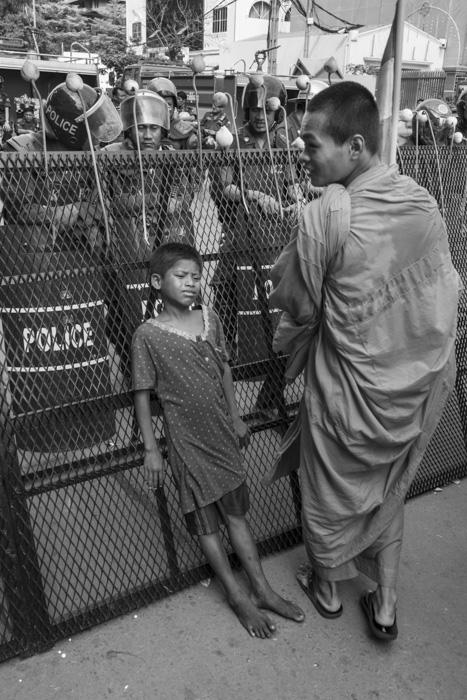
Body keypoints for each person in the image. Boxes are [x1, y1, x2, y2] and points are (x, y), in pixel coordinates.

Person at [263, 81, 462, 641]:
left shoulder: (325, 217)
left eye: (310, 145)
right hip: (410, 393)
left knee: (331, 489)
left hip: (344, 391)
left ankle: (327, 588)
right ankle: (385, 602)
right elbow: (445, 299)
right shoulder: (421, 203)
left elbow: (298, 305)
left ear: (354, 145)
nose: (302, 156)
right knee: (387, 484)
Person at [131, 241, 305, 637]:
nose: (191, 283)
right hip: (187, 446)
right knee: (207, 523)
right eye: (181, 276)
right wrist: (151, 449)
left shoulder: (210, 318)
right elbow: (142, 394)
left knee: (237, 514)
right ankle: (236, 595)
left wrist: (235, 415)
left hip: (222, 437)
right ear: (158, 281)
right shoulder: (147, 336)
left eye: (196, 276)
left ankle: (261, 588)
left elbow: (224, 368)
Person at [211, 74, 296, 415]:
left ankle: (269, 395)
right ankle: (223, 364)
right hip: (240, 233)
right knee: (226, 294)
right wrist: (256, 195)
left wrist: (298, 199)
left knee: (278, 312)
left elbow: (292, 188)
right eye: (253, 109)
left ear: (278, 113)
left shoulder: (285, 144)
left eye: (266, 110)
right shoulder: (233, 140)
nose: (260, 116)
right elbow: (224, 188)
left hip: (276, 238)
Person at [0, 75, 12, 145]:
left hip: (3, 117)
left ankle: (4, 145)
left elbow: (6, 109)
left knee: (8, 129)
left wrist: (6, 122)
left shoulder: (4, 96)